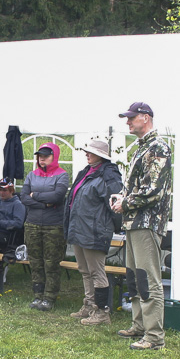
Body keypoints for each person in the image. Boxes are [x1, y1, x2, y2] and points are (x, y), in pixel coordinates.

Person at [111, 102, 173, 351]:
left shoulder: (158, 147)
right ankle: (139, 326)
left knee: (148, 278)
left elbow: (154, 191)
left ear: (145, 118)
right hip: (135, 222)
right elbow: (139, 186)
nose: (128, 122)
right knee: (135, 277)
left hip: (147, 222)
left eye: (131, 118)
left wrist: (125, 203)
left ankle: (155, 336)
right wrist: (121, 196)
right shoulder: (144, 147)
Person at [65, 139, 123, 325]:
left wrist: (114, 227)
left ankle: (102, 312)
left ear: (101, 155)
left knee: (96, 272)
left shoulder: (109, 176)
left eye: (91, 152)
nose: (86, 154)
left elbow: (115, 204)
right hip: (80, 228)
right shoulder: (87, 172)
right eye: (87, 151)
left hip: (95, 230)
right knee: (84, 270)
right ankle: (90, 305)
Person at [21, 142, 70, 311]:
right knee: (35, 261)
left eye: (46, 156)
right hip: (32, 224)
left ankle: (49, 297)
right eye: (40, 156)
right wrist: (44, 204)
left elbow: (57, 196)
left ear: (54, 157)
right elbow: (24, 197)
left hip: (53, 226)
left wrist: (35, 195)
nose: (42, 159)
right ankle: (38, 295)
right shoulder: (31, 175)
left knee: (51, 263)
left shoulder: (62, 175)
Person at [0, 178, 26, 253]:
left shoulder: (17, 204)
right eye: (0, 190)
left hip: (5, 233)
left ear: (11, 191)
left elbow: (18, 223)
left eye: (4, 190)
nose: (1, 193)